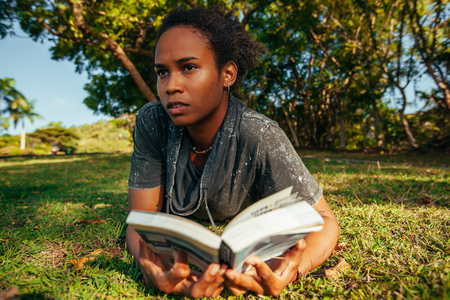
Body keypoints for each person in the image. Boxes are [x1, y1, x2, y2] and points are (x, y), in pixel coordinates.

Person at [126, 5, 340, 298]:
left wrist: (292, 268)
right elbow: (141, 220)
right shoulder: (153, 122)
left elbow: (325, 220)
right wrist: (148, 263)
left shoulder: (259, 135)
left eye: (188, 67)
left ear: (227, 74)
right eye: (162, 72)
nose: (170, 86)